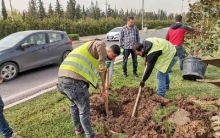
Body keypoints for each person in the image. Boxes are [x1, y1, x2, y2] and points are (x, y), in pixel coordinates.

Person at [57, 40, 120, 138]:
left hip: (62, 82)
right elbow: (100, 43)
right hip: (74, 84)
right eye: (113, 56)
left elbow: (88, 75)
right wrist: (102, 63)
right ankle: (90, 135)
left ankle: (78, 130)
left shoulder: (91, 56)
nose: (113, 59)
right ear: (109, 51)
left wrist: (100, 88)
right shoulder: (100, 49)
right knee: (84, 110)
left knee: (74, 105)